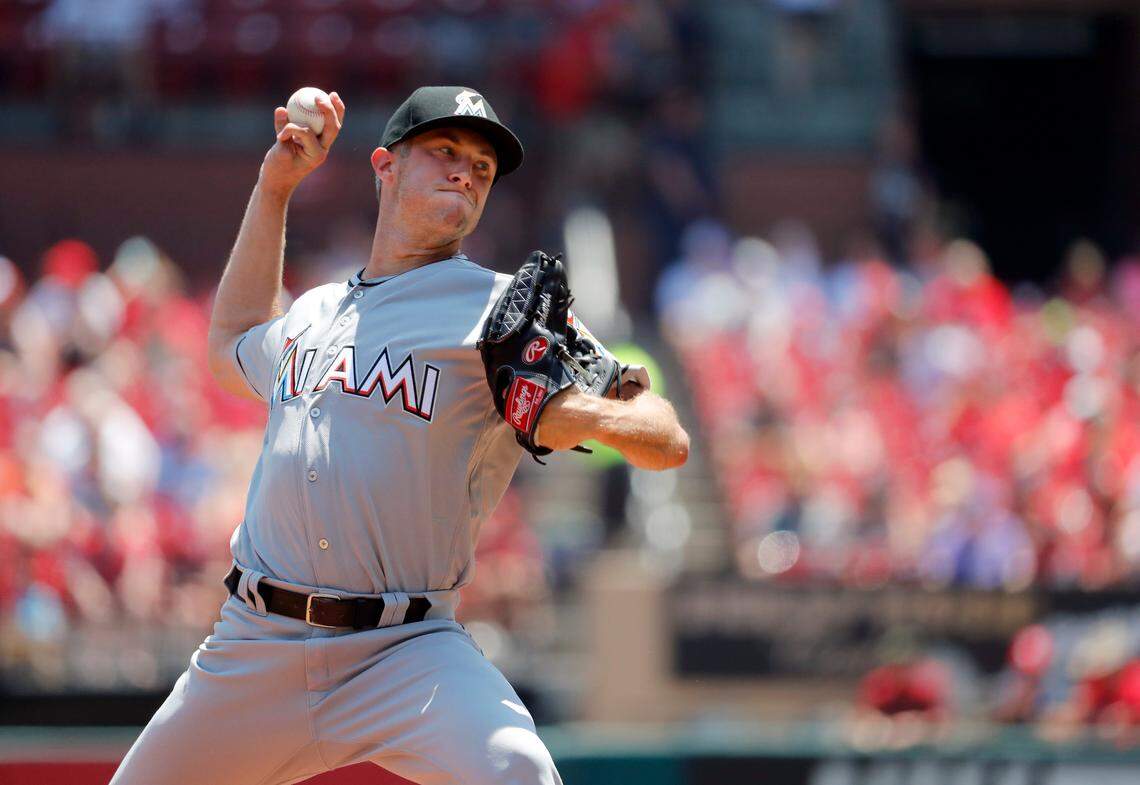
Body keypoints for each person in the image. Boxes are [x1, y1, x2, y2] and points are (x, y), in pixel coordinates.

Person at [110, 85, 689, 785]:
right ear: (385, 166)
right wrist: (275, 186)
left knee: (518, 768)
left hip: (406, 650)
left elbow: (666, 437)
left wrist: (566, 410)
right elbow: (230, 343)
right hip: (254, 645)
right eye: (445, 151)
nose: (465, 173)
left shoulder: (501, 311)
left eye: (480, 167)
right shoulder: (316, 309)